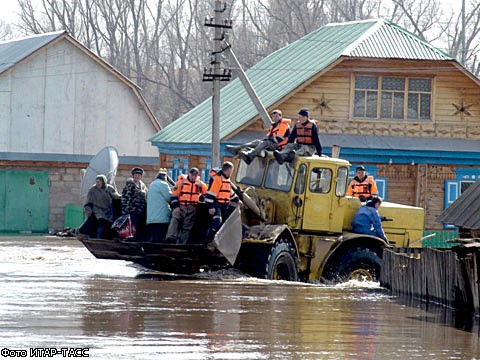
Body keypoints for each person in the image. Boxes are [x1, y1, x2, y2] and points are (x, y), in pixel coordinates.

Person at [226, 109, 291, 165]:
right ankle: (237, 148)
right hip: (273, 143)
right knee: (257, 142)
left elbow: (279, 139)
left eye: (277, 116)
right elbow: (268, 137)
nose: (275, 118)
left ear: (280, 116)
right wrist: (262, 141)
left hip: (279, 147)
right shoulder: (274, 126)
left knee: (265, 143)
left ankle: (250, 156)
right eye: (273, 117)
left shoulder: (283, 125)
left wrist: (265, 142)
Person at [165, 167, 207, 244]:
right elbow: (173, 195)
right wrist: (176, 207)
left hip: (192, 208)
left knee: (187, 227)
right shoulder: (179, 183)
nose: (193, 176)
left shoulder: (200, 185)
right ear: (189, 174)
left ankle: (182, 244)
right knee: (175, 218)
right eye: (192, 174)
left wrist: (202, 198)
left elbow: (206, 194)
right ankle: (170, 238)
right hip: (181, 206)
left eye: (195, 175)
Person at [205, 161, 240, 236]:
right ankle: (209, 239)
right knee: (217, 221)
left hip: (225, 205)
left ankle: (217, 241)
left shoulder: (227, 180)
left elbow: (230, 192)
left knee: (223, 225)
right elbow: (210, 195)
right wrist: (211, 207)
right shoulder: (218, 179)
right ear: (228, 170)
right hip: (217, 205)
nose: (231, 173)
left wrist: (237, 200)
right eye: (231, 171)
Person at [84, 174, 121, 238]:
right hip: (97, 209)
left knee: (110, 223)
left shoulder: (109, 188)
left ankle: (109, 237)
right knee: (101, 221)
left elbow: (115, 196)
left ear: (103, 182)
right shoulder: (92, 190)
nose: (98, 183)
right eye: (97, 181)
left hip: (108, 210)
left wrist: (122, 197)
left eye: (99, 181)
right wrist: (88, 211)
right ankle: (98, 237)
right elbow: (88, 202)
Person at [146, 168, 172, 242]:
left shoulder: (152, 184)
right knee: (159, 240)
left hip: (151, 218)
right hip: (161, 219)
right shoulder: (163, 184)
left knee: (153, 239)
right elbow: (169, 197)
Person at [122, 167, 148, 236]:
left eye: (139, 175)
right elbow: (126, 199)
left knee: (140, 227)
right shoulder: (130, 185)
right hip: (132, 210)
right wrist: (126, 211)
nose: (137, 177)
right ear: (133, 176)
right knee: (133, 226)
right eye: (136, 175)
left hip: (141, 210)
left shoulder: (142, 186)